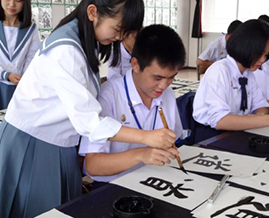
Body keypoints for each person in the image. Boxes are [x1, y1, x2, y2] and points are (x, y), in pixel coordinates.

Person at [0, 1, 177, 217]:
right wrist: (147, 138)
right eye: (117, 29)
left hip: (58, 143)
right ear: (93, 12)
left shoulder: (81, 40)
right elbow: (91, 123)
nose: (120, 38)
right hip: (33, 144)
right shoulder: (66, 49)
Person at [79, 24, 186, 188]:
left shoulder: (167, 94)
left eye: (171, 77)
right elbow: (92, 165)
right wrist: (141, 154)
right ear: (135, 64)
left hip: (156, 181)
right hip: (114, 187)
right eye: (157, 78)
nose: (163, 86)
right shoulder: (109, 95)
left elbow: (174, 138)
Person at [193, 20, 269, 131]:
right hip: (210, 134)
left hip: (239, 130)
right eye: (259, 53)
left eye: (266, 55)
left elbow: (260, 105)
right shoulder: (219, 71)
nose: (263, 60)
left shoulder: (248, 73)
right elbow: (220, 120)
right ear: (245, 47)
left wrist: (259, 116)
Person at [0, 0, 40, 109]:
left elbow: (32, 57)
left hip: (21, 86)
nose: (12, 4)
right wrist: (6, 75)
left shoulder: (31, 29)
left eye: (18, 0)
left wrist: (25, 77)